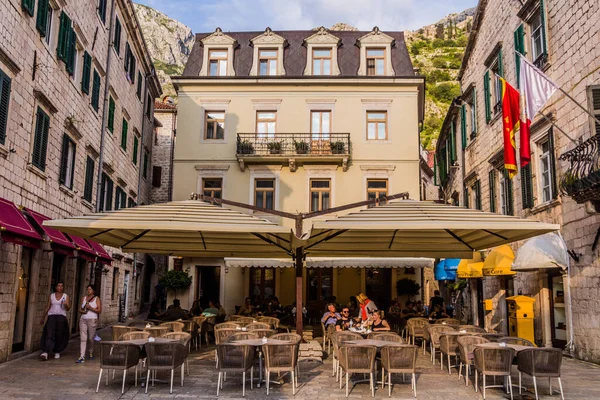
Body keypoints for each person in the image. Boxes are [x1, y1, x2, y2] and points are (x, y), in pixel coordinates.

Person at [40, 282, 71, 360]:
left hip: (61, 317)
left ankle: (57, 351)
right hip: (52, 316)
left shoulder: (65, 296)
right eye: (59, 286)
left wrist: (66, 304)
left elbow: (68, 308)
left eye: (62, 286)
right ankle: (45, 352)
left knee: (59, 334)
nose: (60, 287)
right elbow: (48, 306)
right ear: (56, 287)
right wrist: (43, 317)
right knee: (49, 333)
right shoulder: (51, 296)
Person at [77, 285, 102, 363]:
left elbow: (99, 310)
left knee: (90, 338)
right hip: (83, 319)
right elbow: (80, 309)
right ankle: (82, 356)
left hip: (92, 319)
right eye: (87, 289)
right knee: (83, 338)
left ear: (93, 291)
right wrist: (83, 311)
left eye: (90, 289)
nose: (88, 291)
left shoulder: (97, 299)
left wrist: (90, 308)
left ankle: (91, 352)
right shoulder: (83, 298)